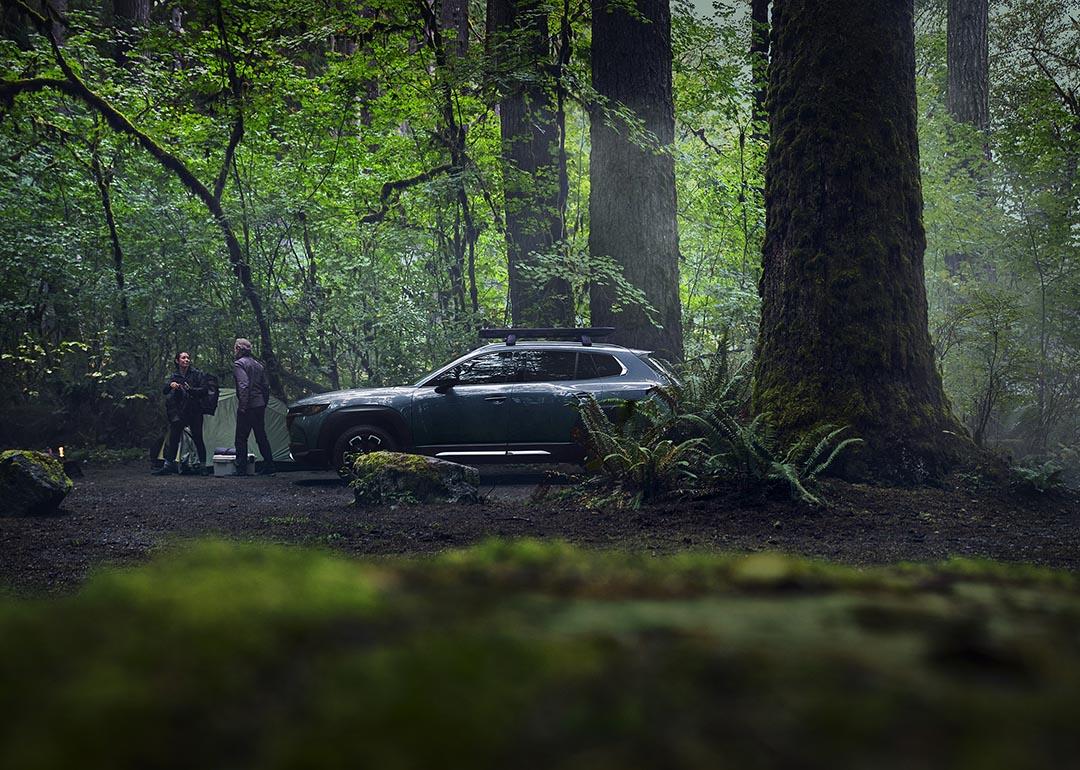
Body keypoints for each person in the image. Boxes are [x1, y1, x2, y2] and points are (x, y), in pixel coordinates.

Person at [153, 351, 210, 476]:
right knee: (174, 438)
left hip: (195, 411)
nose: (187, 360)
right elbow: (164, 390)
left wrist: (191, 390)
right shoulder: (174, 375)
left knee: (198, 438)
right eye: (183, 358)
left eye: (188, 358)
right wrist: (171, 385)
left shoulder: (197, 374)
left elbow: (205, 390)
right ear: (177, 361)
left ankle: (203, 466)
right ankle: (168, 465)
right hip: (179, 412)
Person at [230, 337, 275, 476]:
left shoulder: (239, 364)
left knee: (241, 438)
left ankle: (241, 469)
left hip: (248, 405)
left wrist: (243, 407)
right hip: (259, 405)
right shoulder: (259, 365)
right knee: (261, 436)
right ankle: (270, 466)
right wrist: (263, 403)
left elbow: (243, 385)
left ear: (238, 349)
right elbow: (266, 387)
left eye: (234, 348)